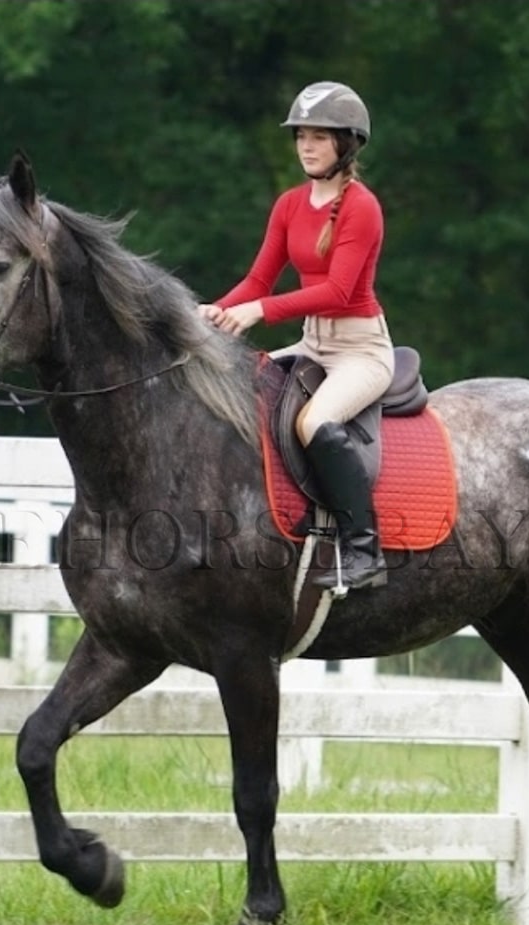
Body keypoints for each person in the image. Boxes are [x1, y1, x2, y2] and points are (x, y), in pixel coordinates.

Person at [199, 80, 394, 592]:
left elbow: (336, 291)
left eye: (319, 137)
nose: (306, 146)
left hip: (360, 351)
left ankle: (363, 548)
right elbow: (258, 280)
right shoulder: (289, 205)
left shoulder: (361, 207)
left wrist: (259, 311)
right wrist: (213, 312)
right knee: (251, 397)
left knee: (315, 422)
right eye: (301, 136)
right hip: (313, 344)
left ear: (346, 144)